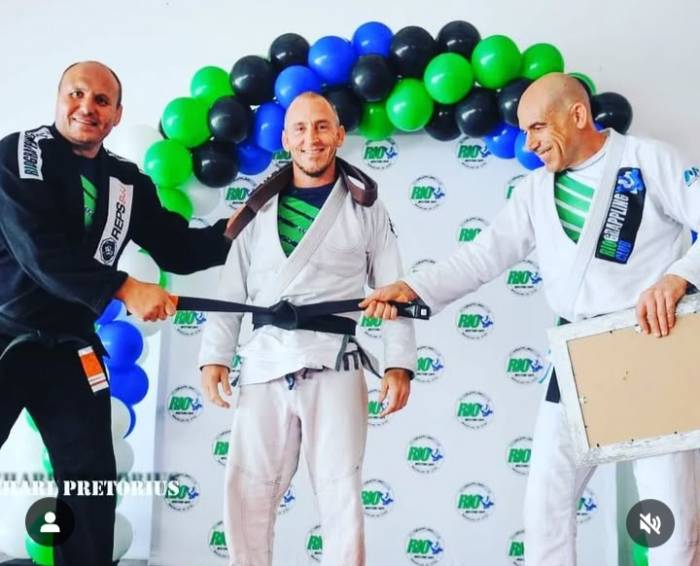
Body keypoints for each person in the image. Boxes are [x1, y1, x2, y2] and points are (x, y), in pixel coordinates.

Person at [360, 73, 700, 565]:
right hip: (579, 357)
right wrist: (414, 288)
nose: (530, 143)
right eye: (525, 132)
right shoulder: (534, 191)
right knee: (545, 505)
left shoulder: (649, 160)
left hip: (652, 344)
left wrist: (679, 277)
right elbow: (481, 257)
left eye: (538, 127)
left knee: (668, 510)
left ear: (577, 115)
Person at [0, 61, 234, 566]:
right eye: (77, 94)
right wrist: (124, 287)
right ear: (59, 99)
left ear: (117, 115)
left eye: (101, 100)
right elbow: (38, 251)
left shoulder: (125, 181)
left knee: (90, 481)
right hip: (6, 333)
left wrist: (234, 234)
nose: (87, 107)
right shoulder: (22, 153)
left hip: (70, 346)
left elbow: (176, 249)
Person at [199, 91, 416, 566]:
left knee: (340, 491)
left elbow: (394, 291)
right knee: (247, 490)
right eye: (300, 128)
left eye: (321, 127)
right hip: (265, 359)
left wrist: (399, 364)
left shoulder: (367, 208)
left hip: (335, 358)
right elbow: (230, 288)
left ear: (339, 135)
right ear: (285, 139)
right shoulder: (256, 211)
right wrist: (215, 355)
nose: (311, 138)